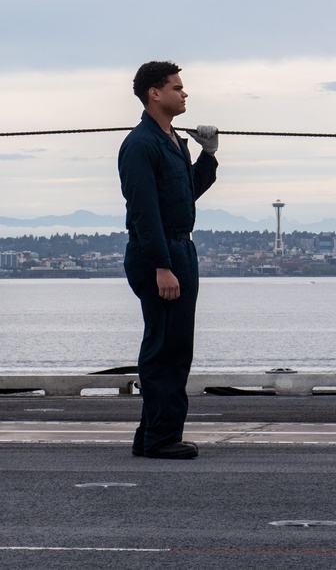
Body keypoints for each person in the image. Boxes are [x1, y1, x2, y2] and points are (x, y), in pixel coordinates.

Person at [118, 61, 219, 459]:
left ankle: (152, 435)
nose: (184, 93)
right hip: (159, 252)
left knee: (174, 346)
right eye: (177, 88)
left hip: (180, 247)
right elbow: (144, 213)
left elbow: (185, 193)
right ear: (154, 94)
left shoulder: (175, 140)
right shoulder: (141, 144)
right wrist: (162, 265)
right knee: (166, 347)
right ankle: (162, 438)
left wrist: (208, 155)